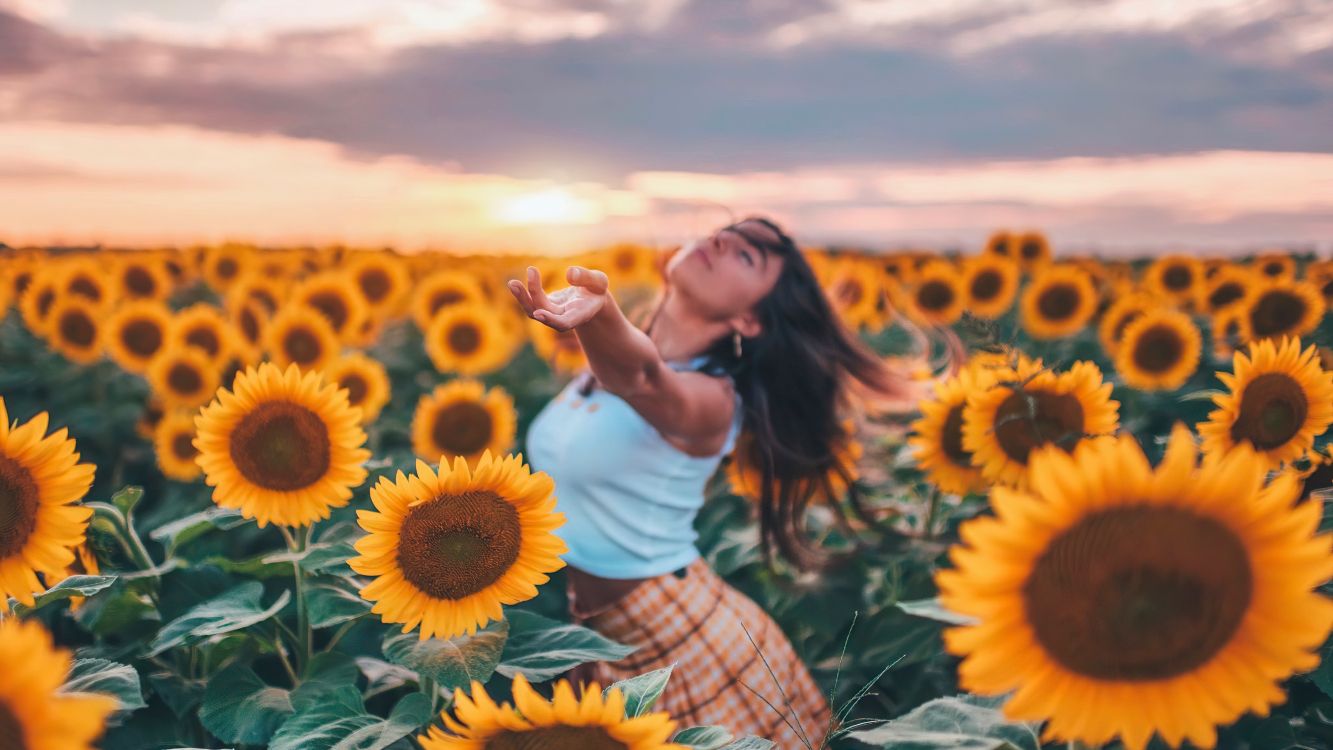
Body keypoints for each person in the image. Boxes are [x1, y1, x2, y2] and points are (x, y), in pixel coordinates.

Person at [509, 217, 938, 746]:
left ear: (751, 321)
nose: (722, 240)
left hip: (683, 643)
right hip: (597, 638)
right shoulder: (598, 364)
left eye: (747, 256)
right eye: (725, 232)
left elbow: (643, 377)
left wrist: (601, 316)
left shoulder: (713, 401)